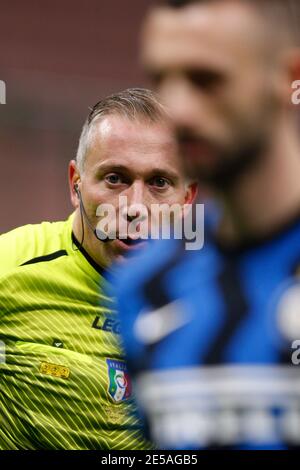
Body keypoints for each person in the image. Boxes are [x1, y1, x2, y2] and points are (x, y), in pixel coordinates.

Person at [115, 1, 300, 449]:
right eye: (162, 79)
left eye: (206, 80)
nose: (176, 110)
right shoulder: (143, 285)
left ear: (288, 78)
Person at [0, 88, 196, 449]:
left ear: (186, 199)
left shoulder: (213, 299)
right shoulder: (9, 270)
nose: (135, 207)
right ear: (75, 185)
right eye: (115, 178)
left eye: (159, 183)